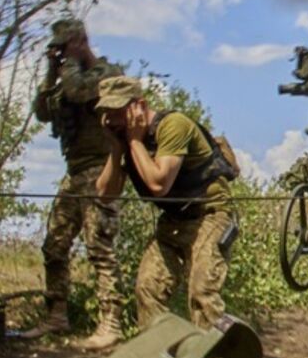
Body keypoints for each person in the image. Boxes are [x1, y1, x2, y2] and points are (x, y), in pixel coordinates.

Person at [94, 77, 239, 329]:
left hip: (210, 216)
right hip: (173, 222)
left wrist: (135, 141)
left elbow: (159, 185)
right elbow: (105, 194)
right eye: (106, 112)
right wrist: (117, 148)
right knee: (147, 288)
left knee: (201, 293)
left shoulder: (173, 126)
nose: (111, 119)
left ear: (139, 106)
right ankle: (160, 357)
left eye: (117, 111)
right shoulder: (127, 140)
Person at [21, 18, 124, 347]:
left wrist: (66, 66)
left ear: (81, 41)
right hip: (75, 170)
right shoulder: (65, 76)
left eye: (66, 46)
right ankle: (56, 317)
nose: (62, 54)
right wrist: (51, 71)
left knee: (99, 247)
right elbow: (42, 111)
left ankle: (111, 323)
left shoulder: (107, 74)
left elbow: (78, 92)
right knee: (55, 244)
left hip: (100, 168)